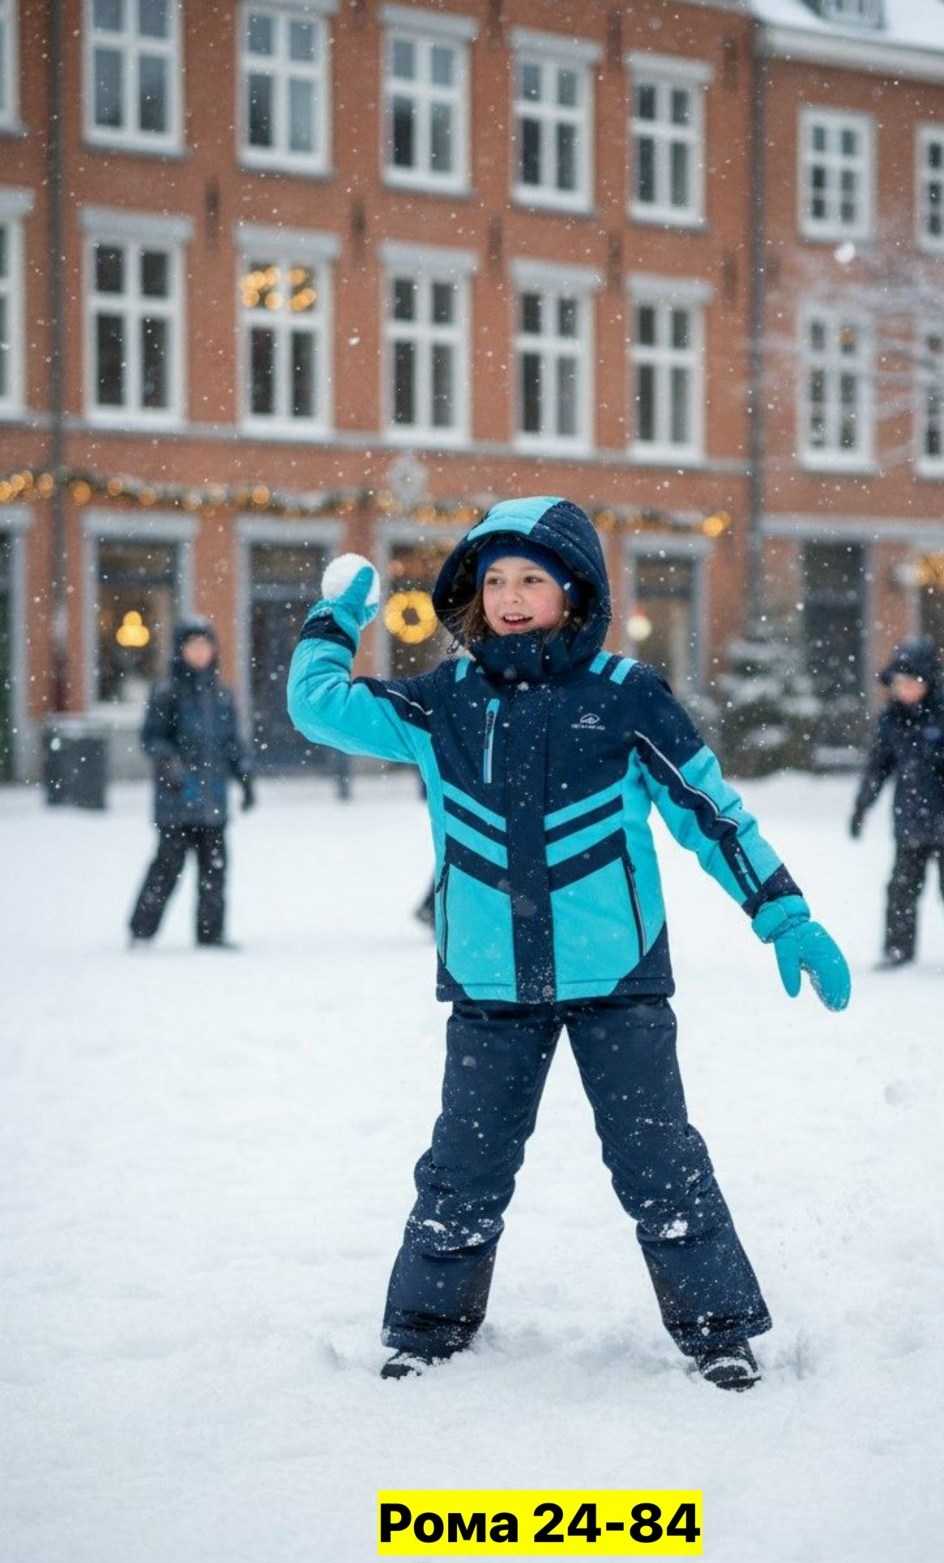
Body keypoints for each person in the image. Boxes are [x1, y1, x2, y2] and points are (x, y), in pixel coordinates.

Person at [287, 497, 850, 1392]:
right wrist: (336, 616)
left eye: (532, 579)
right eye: (495, 579)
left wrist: (783, 915)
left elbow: (712, 815)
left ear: (572, 591)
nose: (511, 597)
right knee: (462, 1171)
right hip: (488, 985)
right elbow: (317, 709)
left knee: (660, 1162)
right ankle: (427, 1331)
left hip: (617, 980)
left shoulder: (628, 697)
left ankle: (718, 1334)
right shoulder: (444, 703)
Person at [849, 636, 944, 970]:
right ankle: (898, 949)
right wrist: (861, 805)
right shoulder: (892, 722)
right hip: (909, 818)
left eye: (913, 682)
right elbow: (878, 767)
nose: (906, 689)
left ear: (930, 682)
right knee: (901, 888)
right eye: (899, 683)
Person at [129, 616, 255, 948]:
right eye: (193, 646)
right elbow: (152, 738)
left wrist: (244, 776)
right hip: (177, 800)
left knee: (214, 870)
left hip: (213, 799)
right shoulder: (167, 693)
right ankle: (142, 930)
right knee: (167, 867)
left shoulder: (222, 697)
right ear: (180, 651)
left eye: (205, 646)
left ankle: (211, 934)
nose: (200, 653)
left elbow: (231, 744)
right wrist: (169, 762)